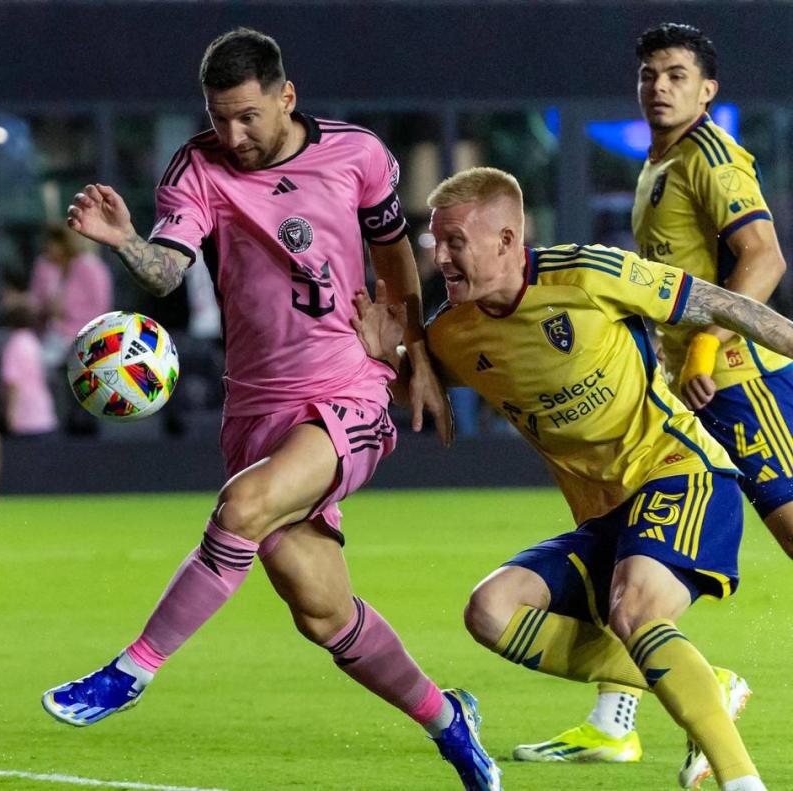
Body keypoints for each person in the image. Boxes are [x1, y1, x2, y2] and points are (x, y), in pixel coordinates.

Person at [40, 27, 499, 791]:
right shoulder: (197, 167)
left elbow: (391, 252)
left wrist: (412, 350)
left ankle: (130, 670)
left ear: (287, 97)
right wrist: (123, 240)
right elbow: (166, 270)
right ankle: (450, 719)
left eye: (248, 116)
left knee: (244, 505)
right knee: (321, 610)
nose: (233, 134)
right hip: (255, 405)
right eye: (220, 117)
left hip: (349, 390)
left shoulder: (357, 154)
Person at [353, 166, 790, 791]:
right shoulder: (455, 332)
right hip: (605, 516)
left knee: (634, 611)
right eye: (434, 240)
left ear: (509, 239)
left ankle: (742, 782)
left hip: (680, 472)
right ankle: (709, 685)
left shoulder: (588, 273)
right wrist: (391, 358)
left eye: (455, 241)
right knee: (491, 611)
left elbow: (725, 304)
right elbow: (417, 393)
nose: (439, 255)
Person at [518, 24, 791, 787]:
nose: (658, 86)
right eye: (648, 74)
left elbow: (763, 255)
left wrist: (702, 353)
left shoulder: (709, 155)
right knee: (627, 532)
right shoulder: (659, 162)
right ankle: (616, 721)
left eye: (676, 74)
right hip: (686, 391)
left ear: (708, 91)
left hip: (740, 382)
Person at [29, 223, 113, 367]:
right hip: (48, 336)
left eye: (55, 243)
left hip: (80, 339)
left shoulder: (90, 268)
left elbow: (101, 308)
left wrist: (66, 310)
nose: (49, 247)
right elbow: (35, 301)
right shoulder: (45, 267)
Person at [0, 302, 58, 437]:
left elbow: (12, 383)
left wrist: (10, 415)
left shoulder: (14, 345)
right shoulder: (33, 342)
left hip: (24, 417)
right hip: (44, 415)